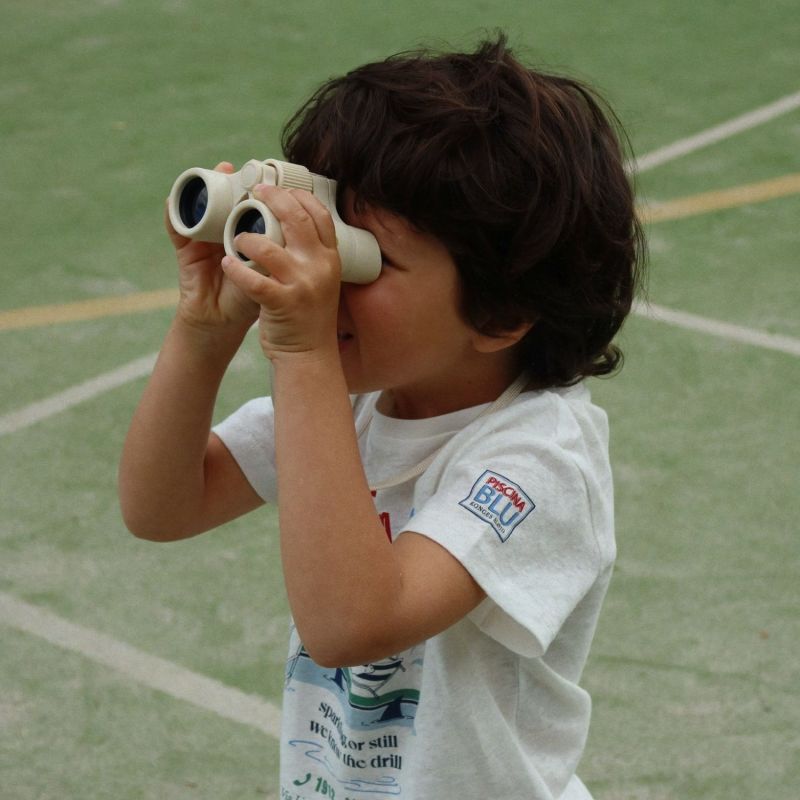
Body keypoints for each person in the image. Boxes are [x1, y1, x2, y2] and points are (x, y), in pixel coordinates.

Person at [119, 33, 645, 800]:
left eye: (362, 261)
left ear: (499, 313)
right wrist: (202, 332)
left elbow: (351, 626)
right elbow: (161, 505)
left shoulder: (539, 458)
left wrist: (303, 355)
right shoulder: (356, 406)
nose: (324, 280)